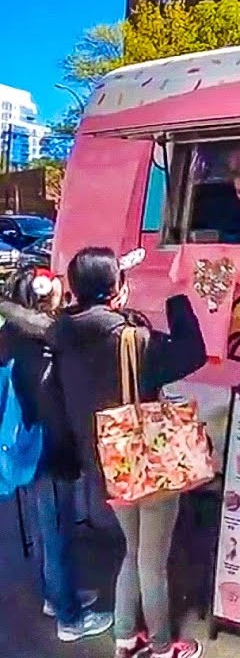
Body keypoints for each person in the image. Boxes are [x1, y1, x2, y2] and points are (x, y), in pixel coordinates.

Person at [47, 247, 207, 658]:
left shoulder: (62, 335)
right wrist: (178, 294)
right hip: (147, 464)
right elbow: (193, 351)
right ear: (117, 290)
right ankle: (161, 646)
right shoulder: (133, 340)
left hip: (104, 466)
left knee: (133, 552)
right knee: (152, 561)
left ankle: (123, 638)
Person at [0, 267, 113, 642]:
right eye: (56, 296)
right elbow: (53, 405)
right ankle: (70, 618)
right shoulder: (45, 346)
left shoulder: (11, 338)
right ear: (41, 301)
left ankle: (56, 595)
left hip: (27, 448)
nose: (63, 301)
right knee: (58, 532)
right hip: (49, 450)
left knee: (48, 527)